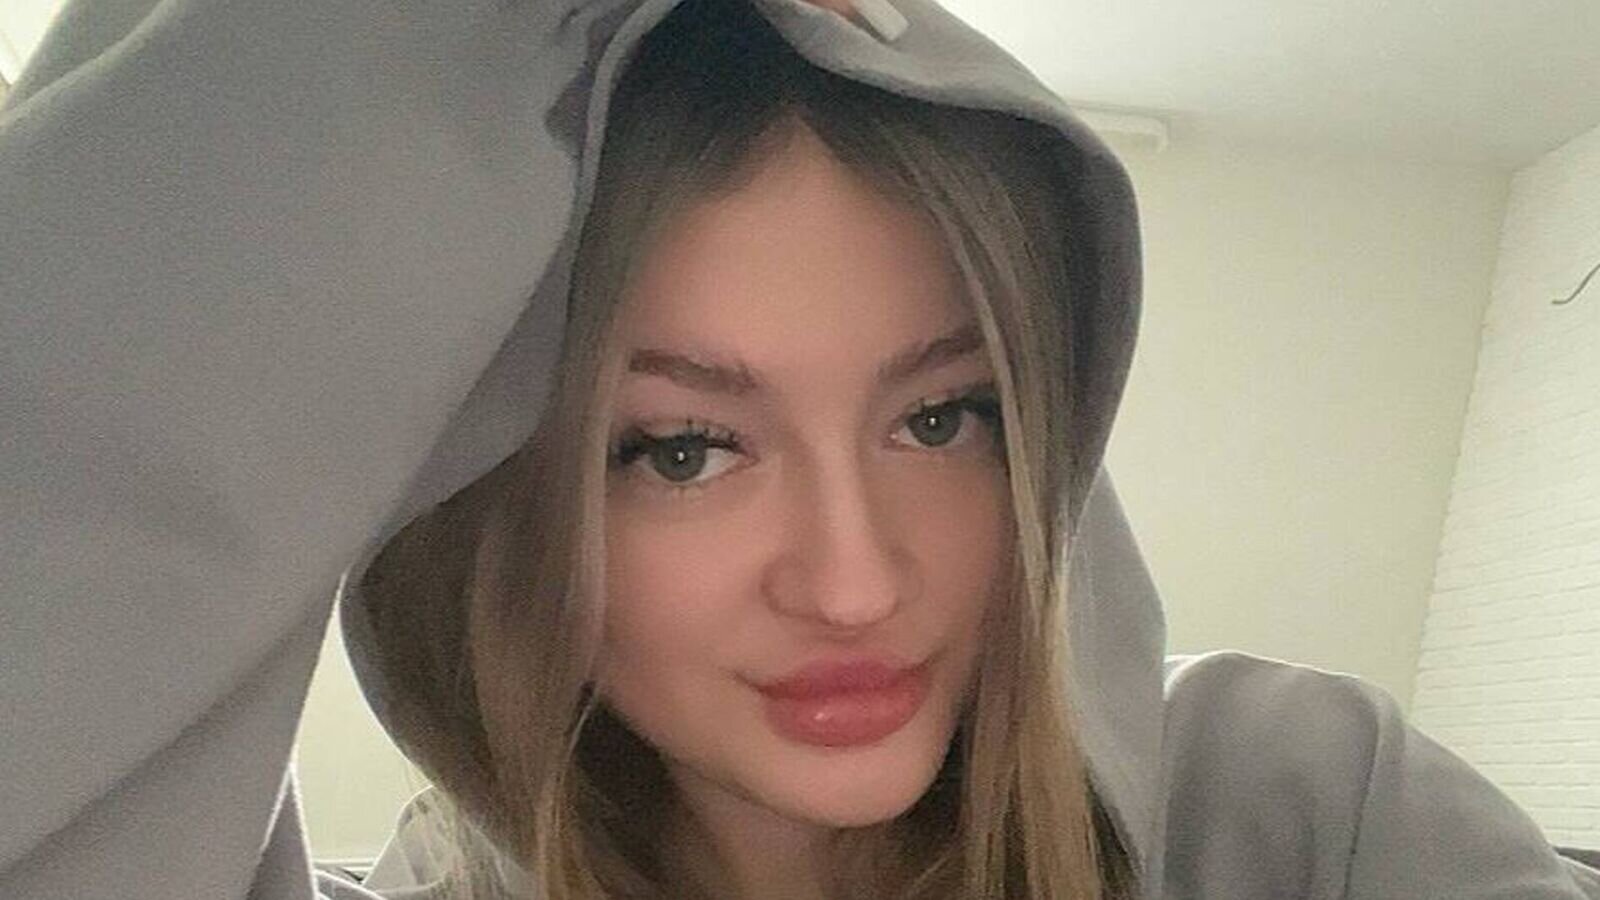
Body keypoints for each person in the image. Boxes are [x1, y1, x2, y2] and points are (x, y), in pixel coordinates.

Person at [0, 0, 1595, 899]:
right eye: (685, 450)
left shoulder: (1301, 811)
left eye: (940, 417)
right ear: (497, 506)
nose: (854, 582)